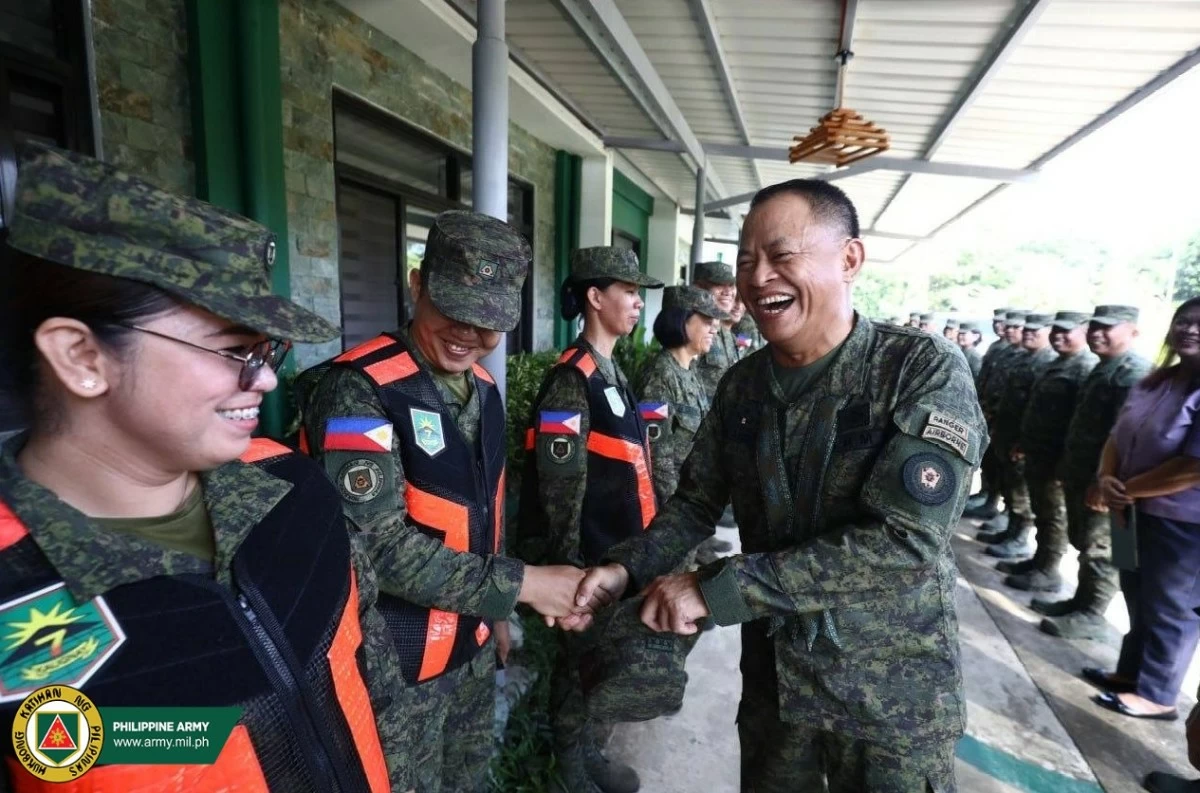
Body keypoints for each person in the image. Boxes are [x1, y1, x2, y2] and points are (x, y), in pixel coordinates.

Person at [0, 142, 410, 791]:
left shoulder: (292, 491)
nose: (267, 378)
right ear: (81, 355)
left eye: (266, 347)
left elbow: (371, 684)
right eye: (233, 349)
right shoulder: (13, 586)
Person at [569, 179, 985, 791]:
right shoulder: (743, 386)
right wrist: (624, 570)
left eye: (782, 256)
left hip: (887, 702)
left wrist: (718, 589)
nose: (758, 277)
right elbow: (693, 505)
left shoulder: (918, 368)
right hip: (778, 692)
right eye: (746, 261)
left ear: (850, 259)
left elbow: (905, 542)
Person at [295, 211, 587, 793]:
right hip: (392, 667)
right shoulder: (357, 392)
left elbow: (484, 512)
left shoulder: (483, 390)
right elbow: (377, 549)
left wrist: (495, 615)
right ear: (416, 284)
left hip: (470, 648)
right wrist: (522, 585)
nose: (470, 335)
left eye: (489, 323)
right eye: (454, 311)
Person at [519, 246, 663, 793]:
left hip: (616, 554)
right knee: (580, 675)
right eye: (627, 291)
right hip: (588, 562)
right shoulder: (571, 378)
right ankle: (571, 777)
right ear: (594, 298)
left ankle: (587, 759)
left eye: (639, 293)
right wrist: (571, 576)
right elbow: (560, 491)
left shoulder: (609, 370)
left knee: (600, 673)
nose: (636, 303)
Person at [1085, 297, 1200, 722]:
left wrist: (1125, 489)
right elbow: (1118, 434)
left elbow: (1192, 467)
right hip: (1131, 511)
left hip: (1181, 522)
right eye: (1183, 321)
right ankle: (1129, 674)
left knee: (1173, 607)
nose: (1190, 329)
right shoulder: (1156, 380)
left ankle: (1158, 695)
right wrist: (1106, 478)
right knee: (1136, 594)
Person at [1036, 305, 1151, 638]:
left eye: (1108, 327)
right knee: (1087, 543)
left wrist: (1107, 483)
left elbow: (1130, 439)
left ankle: (1092, 615)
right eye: (1094, 326)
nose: (1097, 333)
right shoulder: (1106, 368)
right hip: (1087, 475)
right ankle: (1081, 602)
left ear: (1132, 331)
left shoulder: (1133, 373)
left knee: (1106, 549)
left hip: (1112, 485)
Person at [1002, 311, 1098, 592]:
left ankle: (1051, 574)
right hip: (1044, 455)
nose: (1059, 336)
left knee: (1088, 537)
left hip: (1075, 466)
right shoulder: (1059, 363)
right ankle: (1042, 563)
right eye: (1055, 330)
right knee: (1045, 513)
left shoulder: (1087, 367)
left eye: (1066, 331)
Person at [639, 285, 727, 506]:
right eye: (707, 321)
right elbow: (657, 461)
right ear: (681, 320)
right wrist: (675, 517)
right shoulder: (660, 376)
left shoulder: (689, 370)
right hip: (668, 506)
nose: (714, 329)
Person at [978, 311, 1040, 550]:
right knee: (1016, 493)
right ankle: (1023, 543)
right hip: (1113, 480)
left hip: (1124, 487)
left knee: (1109, 547)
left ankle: (1043, 564)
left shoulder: (1135, 373)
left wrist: (1111, 477)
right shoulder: (1154, 383)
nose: (1022, 333)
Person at [966, 308, 1014, 521]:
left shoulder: (1018, 353)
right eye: (996, 321)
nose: (999, 326)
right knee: (991, 463)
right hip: (990, 415)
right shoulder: (998, 348)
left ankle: (1003, 512)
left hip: (1003, 420)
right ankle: (989, 497)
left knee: (1008, 474)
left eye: (1006, 323)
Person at [691, 261, 739, 396]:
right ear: (698, 288)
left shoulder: (729, 335)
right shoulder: (691, 332)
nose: (728, 291)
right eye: (719, 284)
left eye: (731, 285)